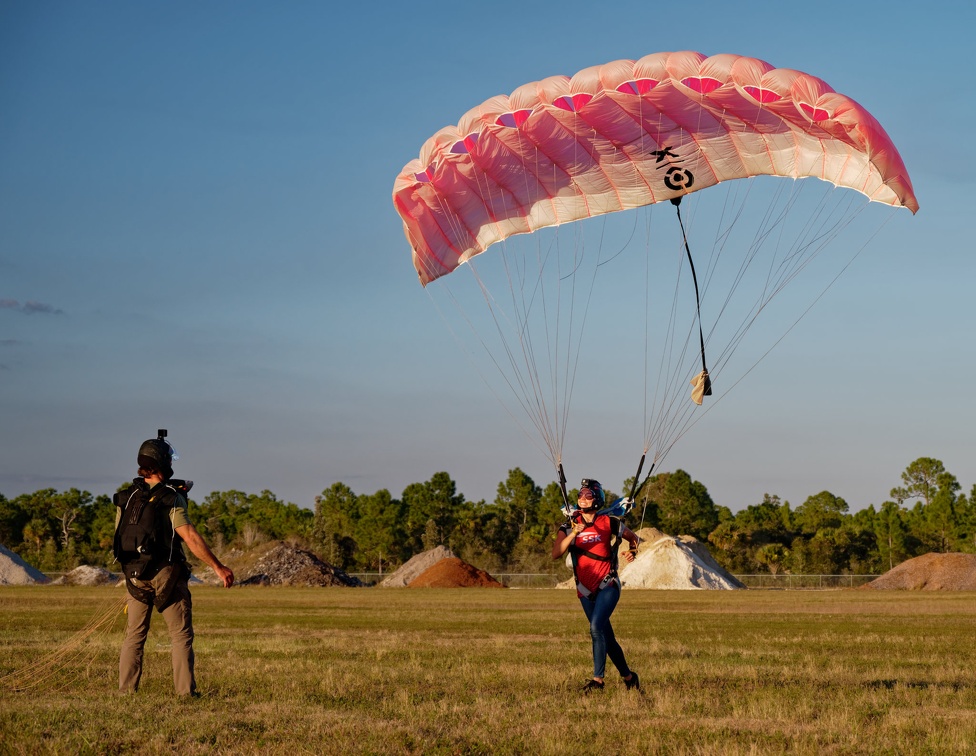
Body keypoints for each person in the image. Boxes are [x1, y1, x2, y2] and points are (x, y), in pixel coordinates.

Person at [113, 430, 234, 696]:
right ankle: (185, 693)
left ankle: (125, 692)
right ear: (163, 464)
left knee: (134, 635)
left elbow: (120, 537)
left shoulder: (126, 497)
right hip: (165, 575)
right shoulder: (171, 497)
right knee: (180, 636)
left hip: (134, 576)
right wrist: (218, 566)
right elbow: (188, 535)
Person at [552, 478, 641, 693]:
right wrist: (574, 532)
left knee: (595, 628)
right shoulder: (567, 526)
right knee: (606, 636)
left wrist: (633, 551)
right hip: (584, 589)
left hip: (607, 583)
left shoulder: (609, 522)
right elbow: (556, 554)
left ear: (597, 499)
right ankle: (629, 678)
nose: (582, 499)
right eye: (580, 495)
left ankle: (598, 680)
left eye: (588, 495)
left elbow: (634, 538)